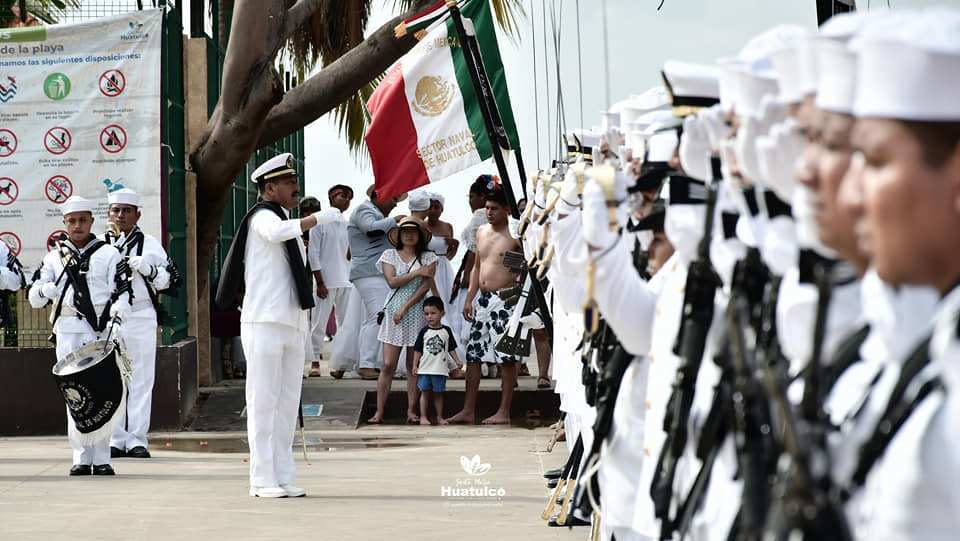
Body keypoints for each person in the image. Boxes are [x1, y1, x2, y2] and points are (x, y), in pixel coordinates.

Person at [215, 153, 341, 498]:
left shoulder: (287, 220)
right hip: (265, 321)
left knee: (287, 403)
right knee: (263, 401)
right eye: (288, 182)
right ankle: (260, 478)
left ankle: (283, 473)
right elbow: (276, 233)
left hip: (292, 321)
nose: (295, 187)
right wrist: (317, 218)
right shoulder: (262, 217)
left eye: (294, 181)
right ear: (270, 189)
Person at [29, 196, 129, 476]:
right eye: (72, 221)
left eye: (83, 220)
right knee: (76, 394)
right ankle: (81, 456)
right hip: (68, 330)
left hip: (100, 331)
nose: (77, 226)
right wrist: (44, 290)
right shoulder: (53, 257)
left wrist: (118, 318)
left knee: (103, 390)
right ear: (64, 223)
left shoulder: (109, 254)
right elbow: (34, 297)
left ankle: (103, 457)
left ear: (91, 221)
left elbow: (123, 293)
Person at [103, 188, 171, 459]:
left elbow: (168, 281)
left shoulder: (150, 244)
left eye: (126, 211)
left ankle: (137, 439)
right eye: (116, 210)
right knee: (114, 378)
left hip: (141, 315)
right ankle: (116, 438)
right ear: (109, 214)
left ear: (137, 215)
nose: (120, 216)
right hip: (111, 317)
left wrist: (148, 269)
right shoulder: (100, 245)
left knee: (141, 378)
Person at [448, 186, 523, 425]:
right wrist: (469, 298)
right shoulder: (481, 231)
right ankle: (468, 410)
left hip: (506, 299)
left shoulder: (516, 234)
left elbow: (529, 263)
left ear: (506, 210)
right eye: (487, 208)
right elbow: (477, 267)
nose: (489, 212)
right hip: (482, 299)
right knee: (473, 355)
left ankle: (504, 411)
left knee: (506, 356)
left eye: (494, 208)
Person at [367, 217, 437, 424]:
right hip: (393, 311)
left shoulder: (429, 257)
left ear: (420, 236)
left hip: (417, 310)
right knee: (388, 364)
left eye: (413, 232)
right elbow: (392, 282)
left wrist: (405, 307)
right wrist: (417, 272)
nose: (408, 235)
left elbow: (426, 286)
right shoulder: (389, 255)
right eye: (405, 231)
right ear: (398, 235)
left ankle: (411, 410)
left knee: (412, 365)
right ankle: (379, 411)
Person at [348, 186, 406, 380]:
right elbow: (370, 229)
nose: (395, 204)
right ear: (380, 195)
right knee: (377, 317)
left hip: (376, 273)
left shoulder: (376, 213)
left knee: (376, 317)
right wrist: (395, 220)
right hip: (369, 273)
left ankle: (372, 363)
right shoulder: (364, 210)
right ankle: (366, 364)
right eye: (393, 199)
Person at [308, 184, 353, 378]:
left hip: (346, 281)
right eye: (343, 196)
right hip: (325, 281)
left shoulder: (348, 224)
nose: (347, 200)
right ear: (333, 197)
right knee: (319, 324)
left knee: (344, 325)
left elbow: (349, 254)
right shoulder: (319, 221)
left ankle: (339, 362)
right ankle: (314, 362)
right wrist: (319, 282)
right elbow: (313, 253)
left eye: (349, 197)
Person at [412, 296, 461, 426]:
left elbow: (451, 348)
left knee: (439, 394)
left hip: (440, 369)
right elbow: (417, 350)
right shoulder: (424, 331)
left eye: (433, 313)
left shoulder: (446, 331)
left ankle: (439, 417)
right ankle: (423, 417)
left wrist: (457, 361)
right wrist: (415, 365)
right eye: (426, 314)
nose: (429, 316)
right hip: (425, 369)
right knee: (424, 393)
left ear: (442, 313)